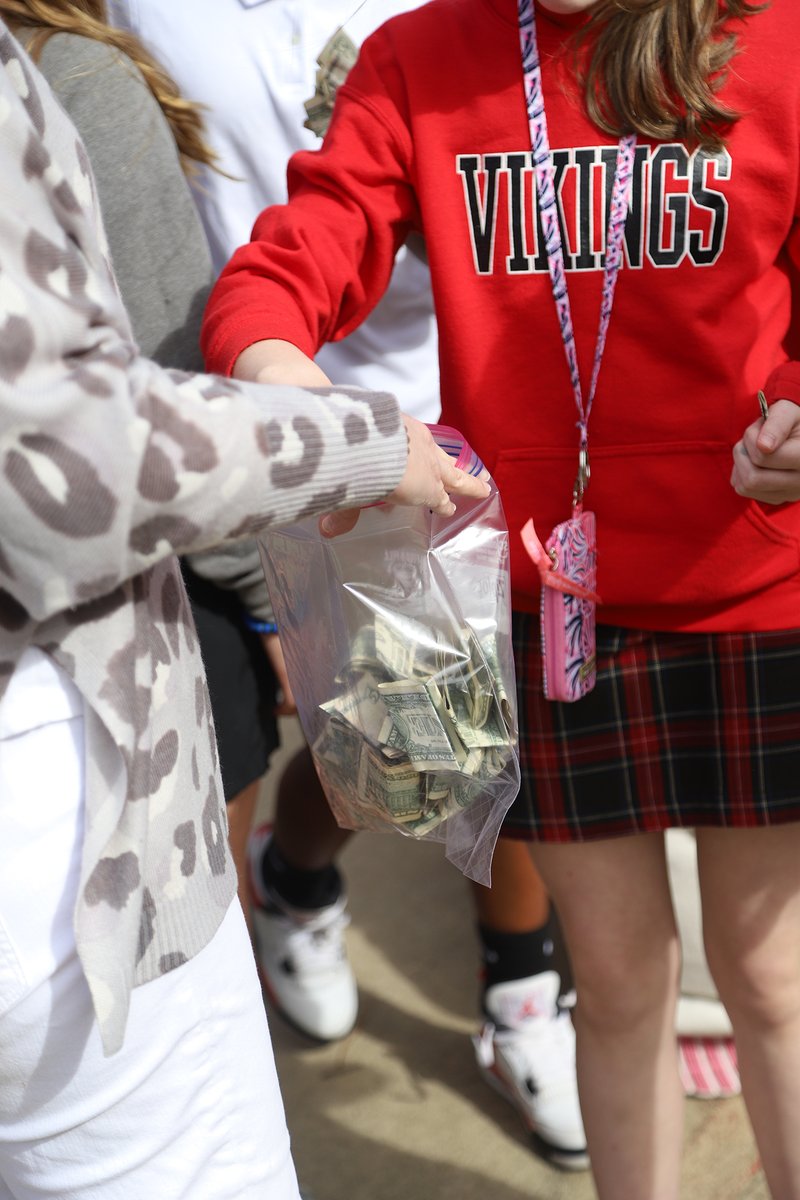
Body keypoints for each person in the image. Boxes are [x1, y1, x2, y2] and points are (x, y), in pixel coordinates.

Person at [200, 0, 800, 1196]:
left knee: (770, 975)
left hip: (753, 587)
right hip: (539, 604)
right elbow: (287, 264)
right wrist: (298, 391)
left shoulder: (772, 36)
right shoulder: (419, 61)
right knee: (615, 981)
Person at [0, 18, 489, 1199]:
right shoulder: (85, 70)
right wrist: (348, 456)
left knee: (441, 761)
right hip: (69, 764)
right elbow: (68, 454)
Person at [112, 0, 589, 1169]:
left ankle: (524, 991)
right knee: (373, 743)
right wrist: (274, 377)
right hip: (269, 404)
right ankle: (295, 875)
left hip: (459, 404)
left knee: (478, 724)